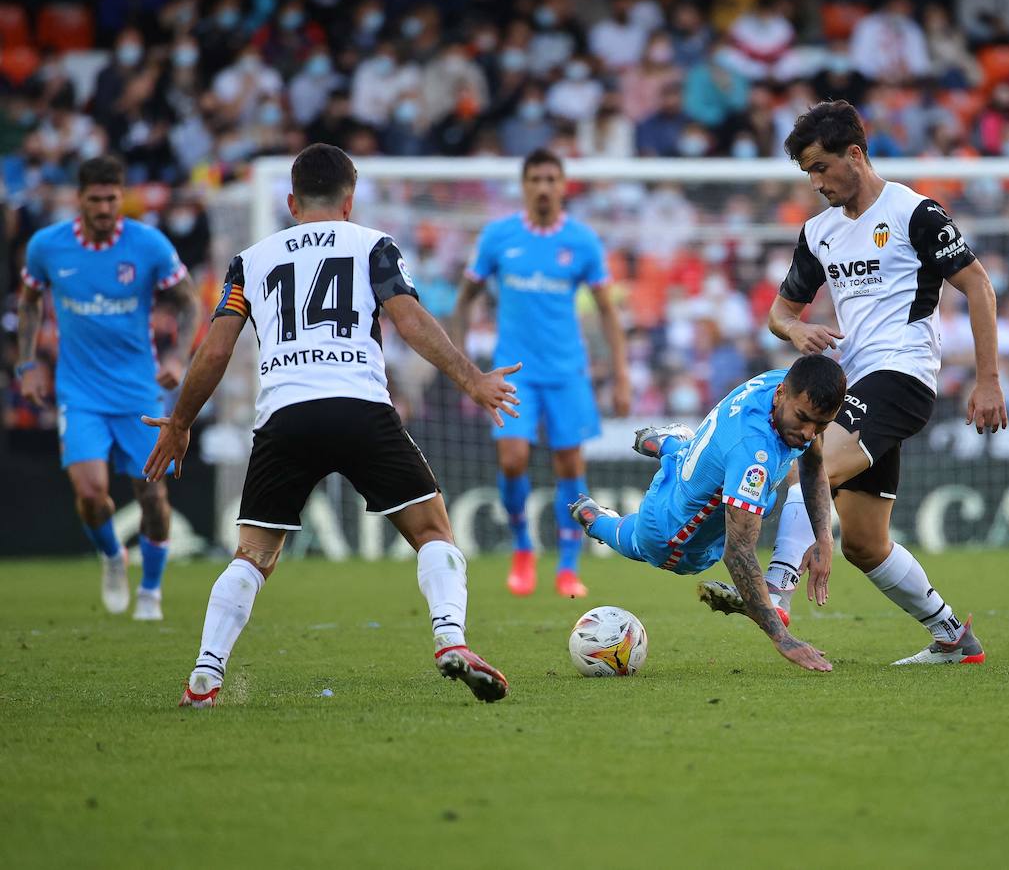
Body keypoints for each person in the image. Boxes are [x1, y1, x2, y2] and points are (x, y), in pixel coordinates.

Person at [142, 144, 519, 707]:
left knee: (252, 556)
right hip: (360, 407)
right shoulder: (373, 245)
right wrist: (471, 380)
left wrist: (179, 420)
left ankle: (206, 671)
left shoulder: (252, 259)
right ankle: (449, 639)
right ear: (349, 202)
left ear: (291, 201)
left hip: (286, 417)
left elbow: (217, 349)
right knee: (433, 532)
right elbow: (410, 319)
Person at [712, 100, 1007, 665]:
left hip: (903, 376)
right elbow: (779, 313)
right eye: (807, 174)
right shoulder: (819, 232)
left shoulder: (913, 212)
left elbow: (979, 286)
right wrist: (797, 331)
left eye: (821, 169)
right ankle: (953, 638)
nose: (816, 183)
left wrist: (988, 378)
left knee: (808, 469)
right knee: (864, 543)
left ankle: (774, 592)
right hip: (852, 387)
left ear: (855, 154)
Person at [569, 356, 844, 672]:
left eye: (821, 425)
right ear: (782, 394)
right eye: (804, 419)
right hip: (673, 536)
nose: (810, 433)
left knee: (760, 499)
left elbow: (812, 464)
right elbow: (738, 553)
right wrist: (783, 639)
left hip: (708, 474)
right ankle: (595, 517)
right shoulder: (754, 454)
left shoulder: (790, 385)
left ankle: (670, 445)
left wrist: (823, 536)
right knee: (638, 542)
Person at [16, 155, 201, 622]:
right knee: (92, 493)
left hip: (139, 392)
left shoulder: (148, 245)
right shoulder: (47, 246)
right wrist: (26, 363)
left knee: (152, 498)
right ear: (79, 199)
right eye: (95, 199)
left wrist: (179, 355)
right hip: (79, 392)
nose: (103, 207)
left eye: (112, 198)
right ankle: (113, 557)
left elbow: (189, 301)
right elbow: (29, 302)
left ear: (122, 197)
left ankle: (151, 591)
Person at [453, 148, 630, 599]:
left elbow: (608, 313)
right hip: (515, 370)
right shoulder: (499, 237)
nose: (545, 187)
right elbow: (464, 298)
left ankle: (568, 568)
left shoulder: (583, 241)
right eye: (536, 179)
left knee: (569, 464)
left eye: (552, 178)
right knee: (512, 458)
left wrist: (622, 376)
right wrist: (464, 367)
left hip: (568, 371)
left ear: (563, 185)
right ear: (524, 184)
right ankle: (522, 546)